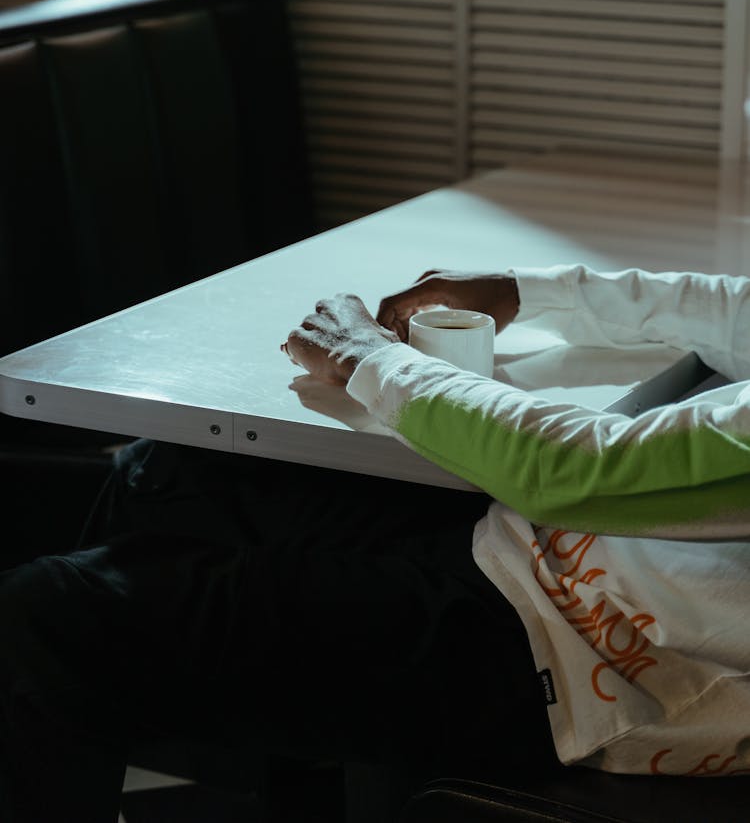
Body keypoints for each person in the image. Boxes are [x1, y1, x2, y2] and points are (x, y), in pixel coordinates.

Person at [2, 265, 750, 822]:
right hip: (547, 557)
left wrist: (368, 354)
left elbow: (578, 465)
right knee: (170, 474)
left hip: (598, 668)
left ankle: (99, 695)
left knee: (47, 613)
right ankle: (141, 731)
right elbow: (732, 305)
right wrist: (525, 291)